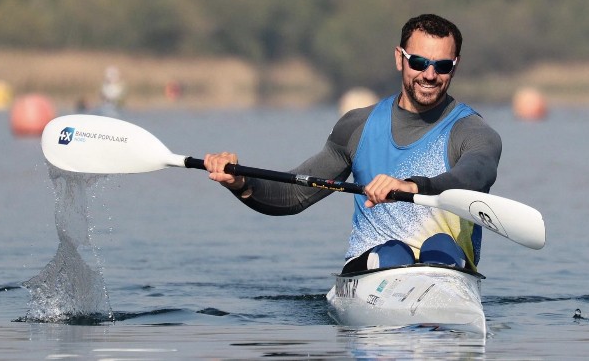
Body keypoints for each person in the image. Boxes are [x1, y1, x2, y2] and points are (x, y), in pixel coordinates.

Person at [204, 14, 502, 274]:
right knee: (393, 253)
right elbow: (293, 195)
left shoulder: (471, 130)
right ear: (399, 58)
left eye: (443, 65)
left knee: (441, 247)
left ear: (456, 65)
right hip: (374, 271)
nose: (429, 74)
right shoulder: (357, 126)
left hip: (447, 270)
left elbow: (477, 173)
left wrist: (414, 186)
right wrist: (241, 182)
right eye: (419, 62)